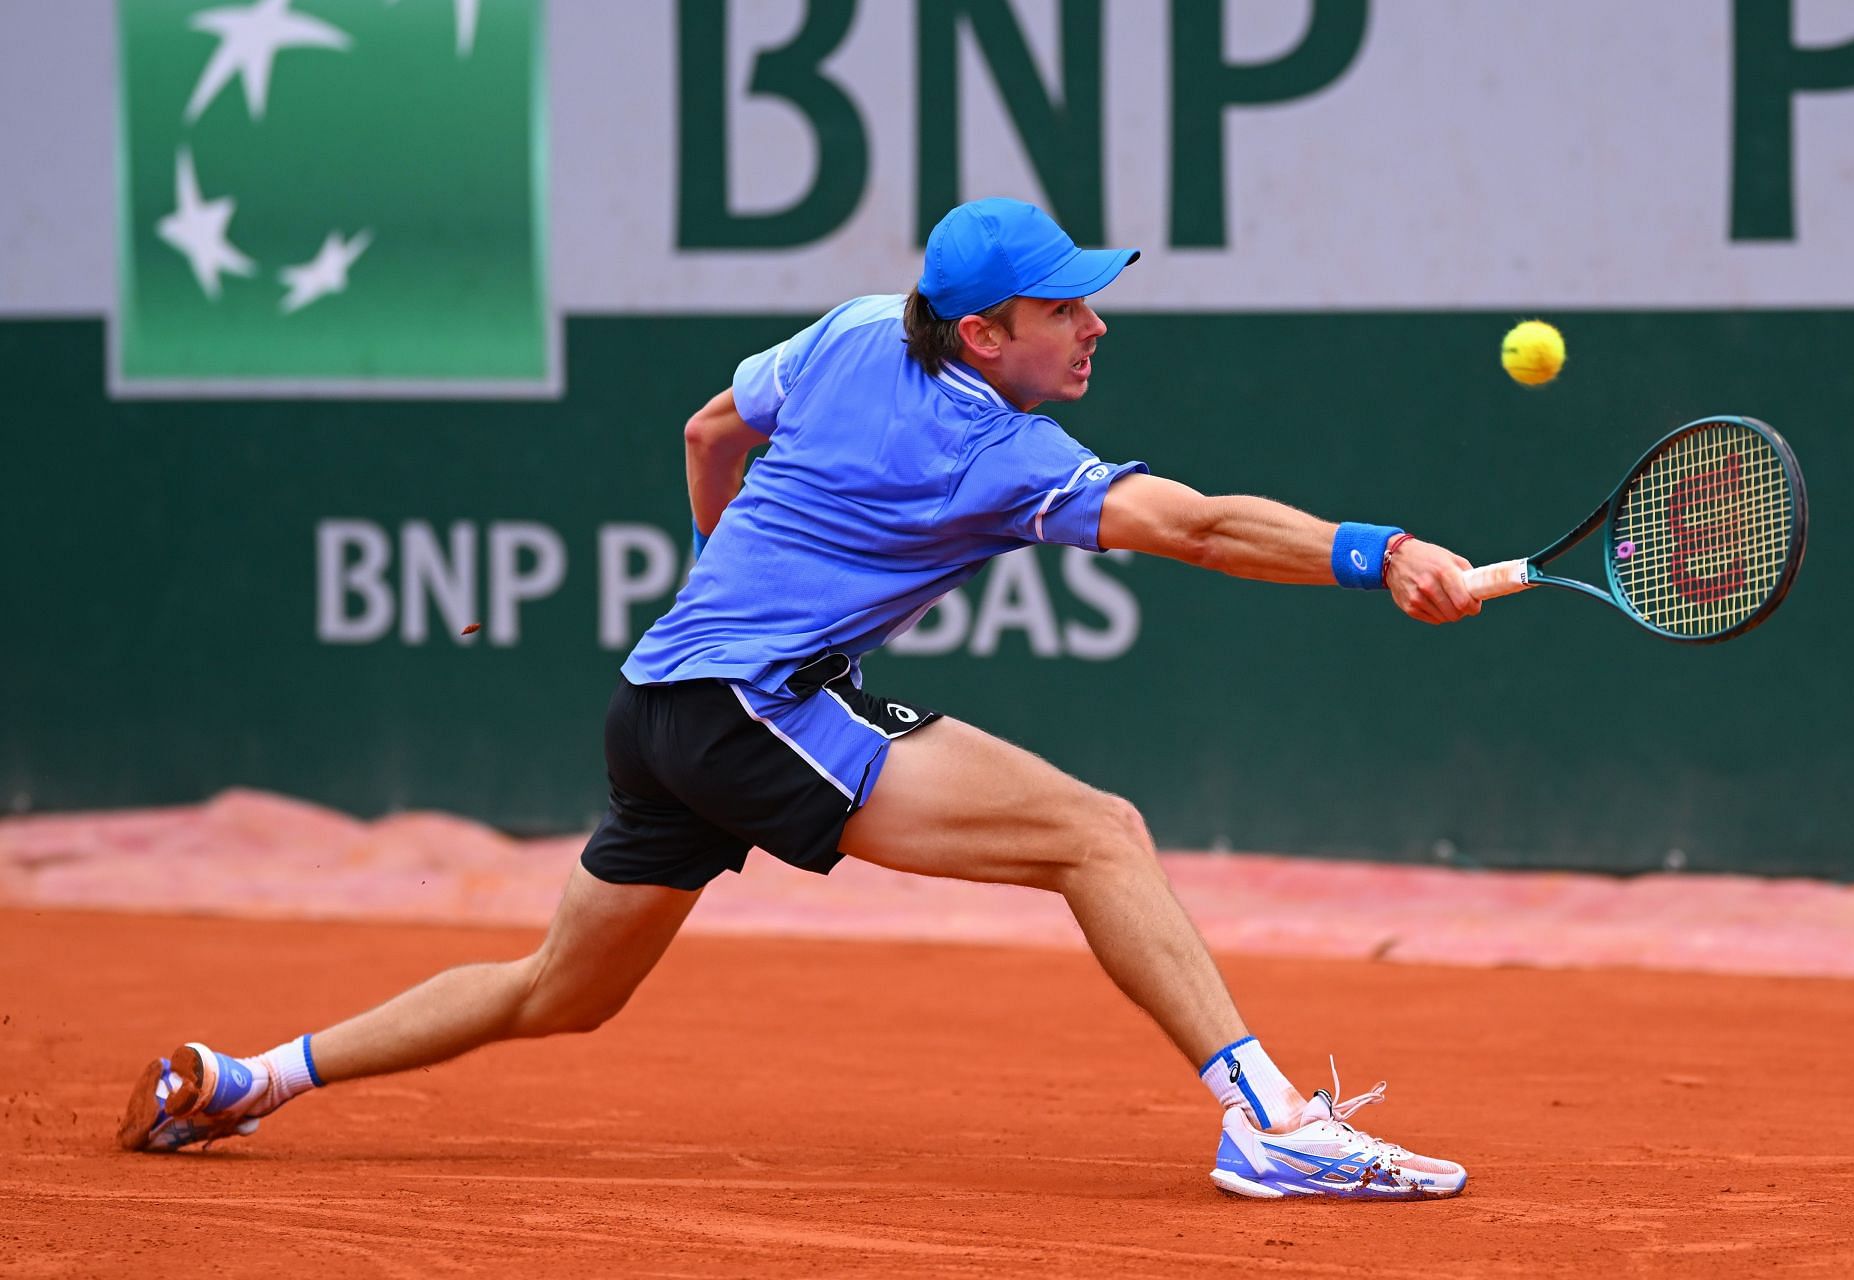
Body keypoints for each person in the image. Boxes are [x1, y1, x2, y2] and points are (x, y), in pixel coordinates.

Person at [120, 197, 1481, 1199]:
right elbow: (1194, 527)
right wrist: (1383, 554)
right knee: (1098, 833)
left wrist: (725, 575)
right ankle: (1267, 1120)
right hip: (750, 707)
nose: (1096, 323)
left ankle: (248, 1080)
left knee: (560, 991)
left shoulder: (844, 337)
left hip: (657, 704)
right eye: (1067, 307)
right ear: (985, 330)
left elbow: (712, 430)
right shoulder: (998, 450)